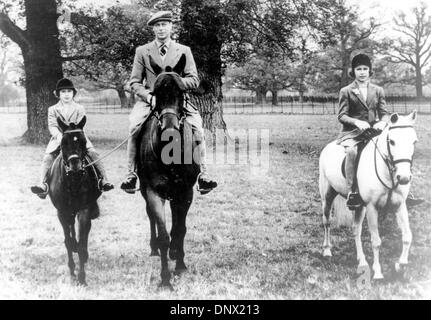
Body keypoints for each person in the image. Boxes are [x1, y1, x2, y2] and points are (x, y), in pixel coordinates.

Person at [120, 10, 217, 194]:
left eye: (164, 24)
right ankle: (131, 174)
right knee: (134, 126)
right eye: (157, 25)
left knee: (198, 128)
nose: (161, 28)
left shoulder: (184, 50)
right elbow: (134, 81)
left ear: (171, 26)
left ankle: (203, 174)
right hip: (151, 99)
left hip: (176, 99)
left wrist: (175, 83)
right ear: (153, 29)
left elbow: (194, 79)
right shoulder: (142, 51)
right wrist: (148, 96)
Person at [30, 78, 114, 198]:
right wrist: (59, 136)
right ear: (58, 94)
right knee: (48, 157)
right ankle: (43, 184)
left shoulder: (79, 108)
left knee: (93, 153)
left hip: (77, 139)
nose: (66, 95)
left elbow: (81, 126)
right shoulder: (52, 109)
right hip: (60, 139)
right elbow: (52, 126)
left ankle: (104, 180)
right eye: (63, 92)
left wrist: (77, 137)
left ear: (73, 93)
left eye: (69, 92)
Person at [337, 53, 389, 209]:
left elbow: (384, 113)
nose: (362, 72)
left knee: (394, 148)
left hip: (374, 131)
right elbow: (342, 115)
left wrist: (382, 123)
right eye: (358, 69)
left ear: (370, 71)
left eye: (365, 69)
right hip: (352, 133)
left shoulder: (378, 90)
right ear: (353, 71)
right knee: (352, 152)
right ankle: (353, 191)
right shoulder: (346, 91)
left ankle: (399, 190)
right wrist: (357, 122)